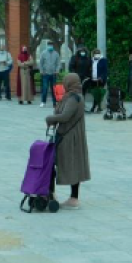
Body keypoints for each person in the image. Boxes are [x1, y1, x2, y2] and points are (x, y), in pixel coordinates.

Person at [45, 73, 90, 209]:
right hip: (70, 135)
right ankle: (69, 197)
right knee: (71, 164)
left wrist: (50, 118)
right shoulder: (72, 96)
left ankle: (68, 197)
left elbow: (65, 116)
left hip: (70, 137)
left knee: (66, 164)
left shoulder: (74, 98)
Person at [38, 41, 61, 108]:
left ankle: (55, 102)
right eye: (49, 45)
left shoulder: (56, 54)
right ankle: (43, 102)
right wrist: (41, 71)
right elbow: (40, 63)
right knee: (45, 88)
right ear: (47, 45)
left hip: (53, 74)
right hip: (45, 74)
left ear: (53, 46)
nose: (50, 46)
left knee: (54, 89)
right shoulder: (43, 53)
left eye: (51, 45)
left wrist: (57, 71)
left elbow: (58, 63)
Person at [88, 49, 108, 113]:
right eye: (95, 54)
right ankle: (97, 107)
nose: (96, 55)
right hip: (93, 79)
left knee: (99, 94)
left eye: (98, 53)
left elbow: (105, 71)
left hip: (100, 80)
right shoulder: (91, 60)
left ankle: (95, 107)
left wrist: (101, 77)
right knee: (95, 93)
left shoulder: (103, 60)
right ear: (93, 54)